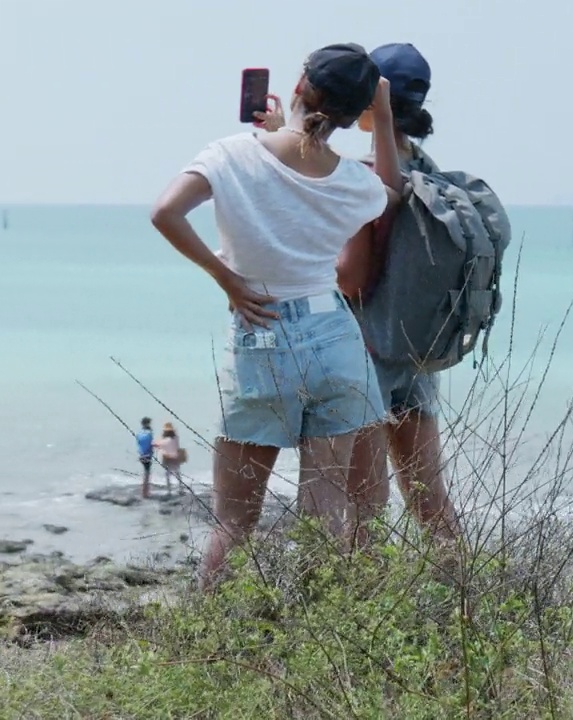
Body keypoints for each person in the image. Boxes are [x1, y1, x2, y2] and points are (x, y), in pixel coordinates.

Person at [149, 43, 404, 588]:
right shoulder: (352, 183)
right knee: (327, 515)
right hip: (334, 340)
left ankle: (204, 643)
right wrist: (381, 115)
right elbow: (390, 191)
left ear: (298, 85)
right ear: (350, 113)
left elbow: (165, 213)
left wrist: (227, 279)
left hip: (260, 333)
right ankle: (326, 658)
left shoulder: (231, 155)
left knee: (235, 521)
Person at [336, 43, 460, 545]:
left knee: (363, 505)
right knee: (429, 497)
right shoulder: (431, 174)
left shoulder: (364, 176)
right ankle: (464, 605)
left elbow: (351, 279)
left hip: (367, 349)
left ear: (371, 101)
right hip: (418, 350)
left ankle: (354, 616)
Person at [154, 422, 186, 496]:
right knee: (177, 474)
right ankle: (180, 488)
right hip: (175, 458)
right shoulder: (176, 438)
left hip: (167, 458)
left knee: (168, 475)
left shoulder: (165, 440)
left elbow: (158, 444)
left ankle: (169, 491)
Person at [135, 417, 154, 499]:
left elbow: (139, 442)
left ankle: (144, 492)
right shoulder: (149, 433)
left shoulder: (139, 433)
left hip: (141, 455)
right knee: (147, 474)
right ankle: (145, 493)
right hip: (148, 455)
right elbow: (150, 443)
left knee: (145, 473)